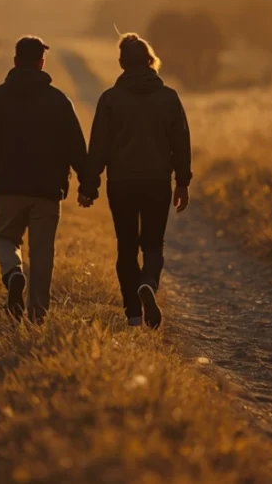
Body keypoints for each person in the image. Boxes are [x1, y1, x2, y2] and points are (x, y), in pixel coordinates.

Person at [0, 36, 89, 322]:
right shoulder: (59, 100)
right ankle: (38, 315)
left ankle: (13, 272)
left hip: (8, 187)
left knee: (6, 238)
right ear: (41, 63)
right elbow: (76, 147)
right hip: (48, 190)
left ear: (15, 61)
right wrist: (87, 184)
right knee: (43, 252)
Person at [80, 33, 192, 329]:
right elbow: (181, 144)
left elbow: (98, 147)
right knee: (153, 245)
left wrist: (89, 187)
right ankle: (148, 284)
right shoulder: (169, 98)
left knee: (126, 247)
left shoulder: (110, 99)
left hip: (122, 183)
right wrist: (182, 182)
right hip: (157, 182)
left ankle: (133, 316)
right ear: (151, 61)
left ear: (121, 63)